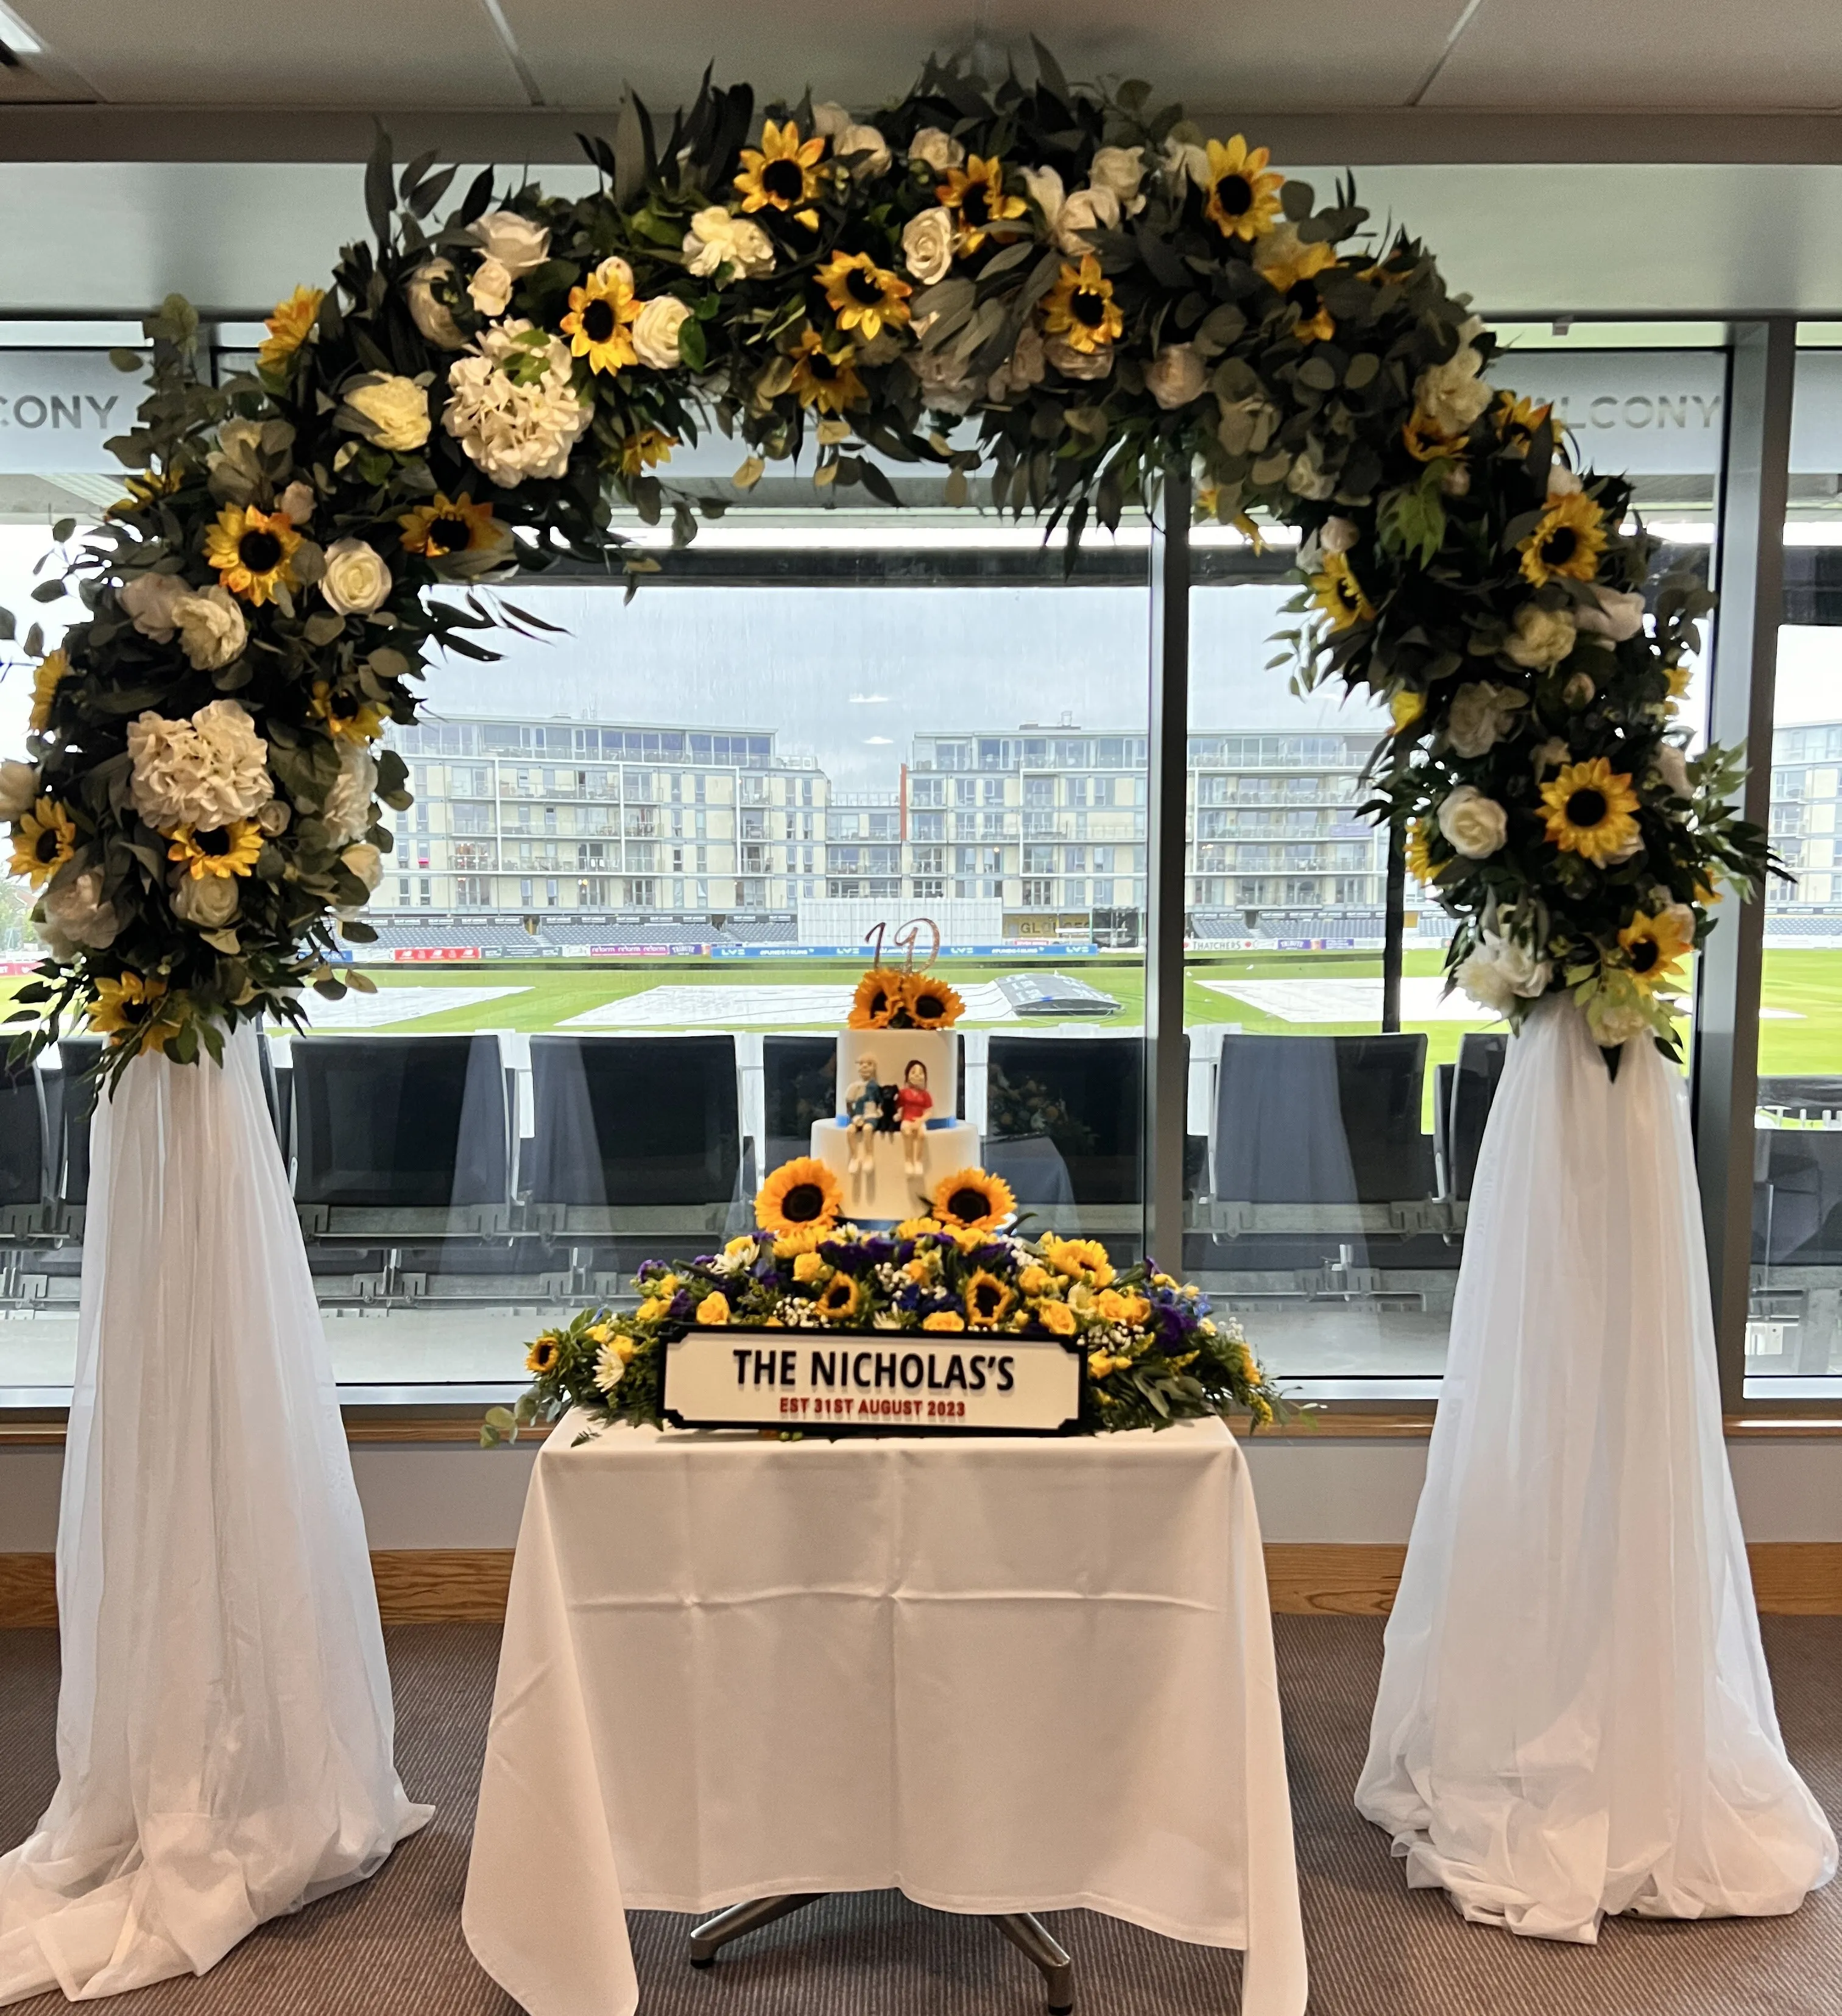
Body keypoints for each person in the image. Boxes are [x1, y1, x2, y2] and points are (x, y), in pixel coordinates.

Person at [842, 1054, 884, 1180]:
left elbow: (880, 1101)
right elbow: (849, 1105)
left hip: (871, 1115)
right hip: (858, 1116)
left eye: (869, 1064)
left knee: (867, 1129)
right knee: (850, 1130)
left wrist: (879, 1112)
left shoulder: (875, 1087)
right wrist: (854, 1118)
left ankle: (869, 1155)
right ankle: (854, 1157)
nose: (865, 1067)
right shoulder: (854, 1087)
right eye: (861, 1064)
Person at [895, 1058, 932, 1177]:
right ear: (907, 1076)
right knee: (907, 1133)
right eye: (913, 1072)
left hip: (919, 1120)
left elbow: (929, 1112)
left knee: (922, 1134)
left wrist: (921, 1120)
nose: (917, 1075)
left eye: (921, 1073)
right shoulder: (903, 1093)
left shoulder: (925, 1095)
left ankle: (918, 1161)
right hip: (907, 1120)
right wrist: (899, 1115)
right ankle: (908, 1160)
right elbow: (899, 1106)